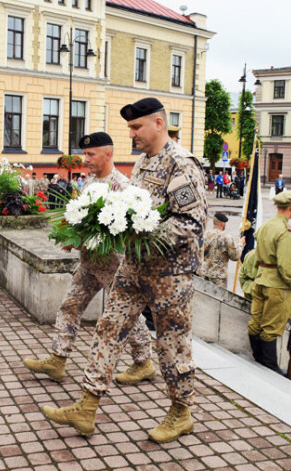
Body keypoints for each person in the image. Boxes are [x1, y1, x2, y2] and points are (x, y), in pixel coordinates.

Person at [41, 98, 207, 443]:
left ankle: (181, 412)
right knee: (107, 328)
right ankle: (87, 407)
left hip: (170, 274)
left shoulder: (182, 164)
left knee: (172, 344)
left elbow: (191, 224)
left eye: (136, 127)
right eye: (130, 128)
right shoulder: (144, 161)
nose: (131, 134)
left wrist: (141, 233)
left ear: (158, 124)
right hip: (134, 265)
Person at [23, 132, 153, 386]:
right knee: (69, 307)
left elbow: (128, 233)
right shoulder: (90, 181)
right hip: (88, 262)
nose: (86, 159)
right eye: (85, 154)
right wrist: (72, 236)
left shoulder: (123, 187)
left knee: (127, 315)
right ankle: (57, 360)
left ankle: (144, 362)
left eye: (91, 154)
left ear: (108, 154)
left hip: (112, 266)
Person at [247, 190, 291, 373]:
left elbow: (257, 255)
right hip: (277, 285)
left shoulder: (266, 225)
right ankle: (269, 364)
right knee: (272, 326)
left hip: (261, 280)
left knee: (256, 321)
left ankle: (258, 357)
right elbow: (285, 265)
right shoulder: (284, 231)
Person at [198, 212, 245, 288]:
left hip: (204, 273)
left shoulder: (205, 234)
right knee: (217, 298)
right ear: (222, 224)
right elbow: (235, 256)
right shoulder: (226, 237)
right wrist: (240, 244)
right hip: (218, 277)